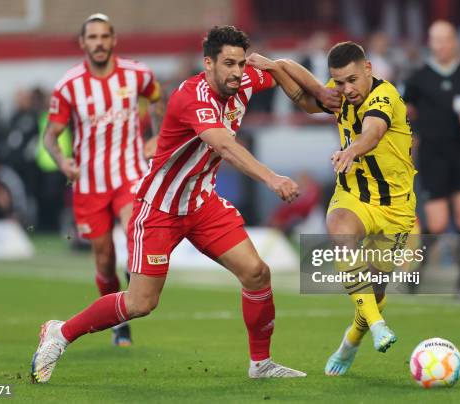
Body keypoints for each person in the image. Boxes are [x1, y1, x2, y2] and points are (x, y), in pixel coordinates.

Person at [31, 25, 310, 383]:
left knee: (257, 273)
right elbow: (224, 145)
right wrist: (273, 178)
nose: (237, 72)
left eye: (241, 63)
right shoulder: (192, 96)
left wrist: (296, 78)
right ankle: (60, 332)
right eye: (228, 63)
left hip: (201, 204)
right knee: (140, 303)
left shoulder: (244, 81)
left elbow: (286, 73)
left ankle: (261, 364)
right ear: (208, 63)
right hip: (159, 208)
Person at [247, 41, 416, 376]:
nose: (346, 89)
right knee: (340, 230)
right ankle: (378, 325)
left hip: (395, 207)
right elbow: (305, 96)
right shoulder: (340, 95)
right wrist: (274, 64)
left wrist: (352, 151)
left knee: (376, 290)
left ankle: (351, 340)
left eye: (352, 80)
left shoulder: (385, 96)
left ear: (368, 69)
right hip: (354, 195)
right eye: (338, 82)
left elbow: (374, 131)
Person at [42, 14, 163, 347]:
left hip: (130, 174)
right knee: (104, 258)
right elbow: (51, 136)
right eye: (91, 37)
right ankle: (117, 322)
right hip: (89, 182)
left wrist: (158, 136)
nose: (98, 42)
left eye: (103, 36)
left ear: (114, 40)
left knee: (132, 231)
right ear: (83, 43)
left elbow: (157, 98)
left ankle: (133, 291)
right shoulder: (69, 86)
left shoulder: (137, 73)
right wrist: (60, 160)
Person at [403, 20, 460, 296]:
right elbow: (405, 111)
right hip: (433, 156)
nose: (441, 44)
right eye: (436, 39)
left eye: (446, 39)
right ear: (430, 43)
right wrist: (412, 136)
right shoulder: (419, 78)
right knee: (438, 224)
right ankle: (416, 274)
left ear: (454, 42)